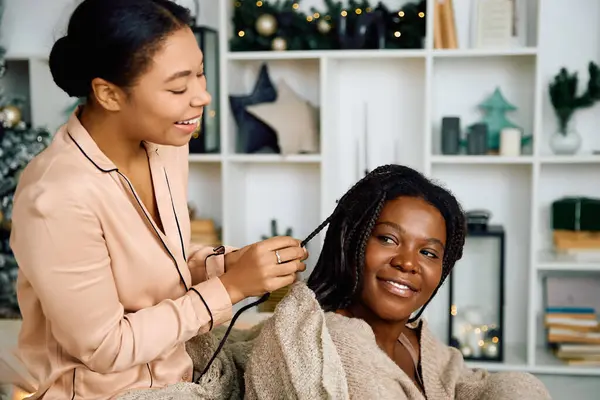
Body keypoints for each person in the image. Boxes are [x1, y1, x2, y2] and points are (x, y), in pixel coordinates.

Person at [9, 0, 307, 399]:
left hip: (177, 377)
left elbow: (158, 268)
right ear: (109, 94)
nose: (202, 96)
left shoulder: (166, 147)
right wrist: (232, 287)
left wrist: (228, 263)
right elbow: (105, 347)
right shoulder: (55, 197)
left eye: (200, 74)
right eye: (179, 86)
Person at [242, 164, 551, 399]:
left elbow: (462, 381)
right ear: (352, 242)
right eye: (388, 239)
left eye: (428, 252)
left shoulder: (413, 340)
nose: (407, 262)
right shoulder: (337, 344)